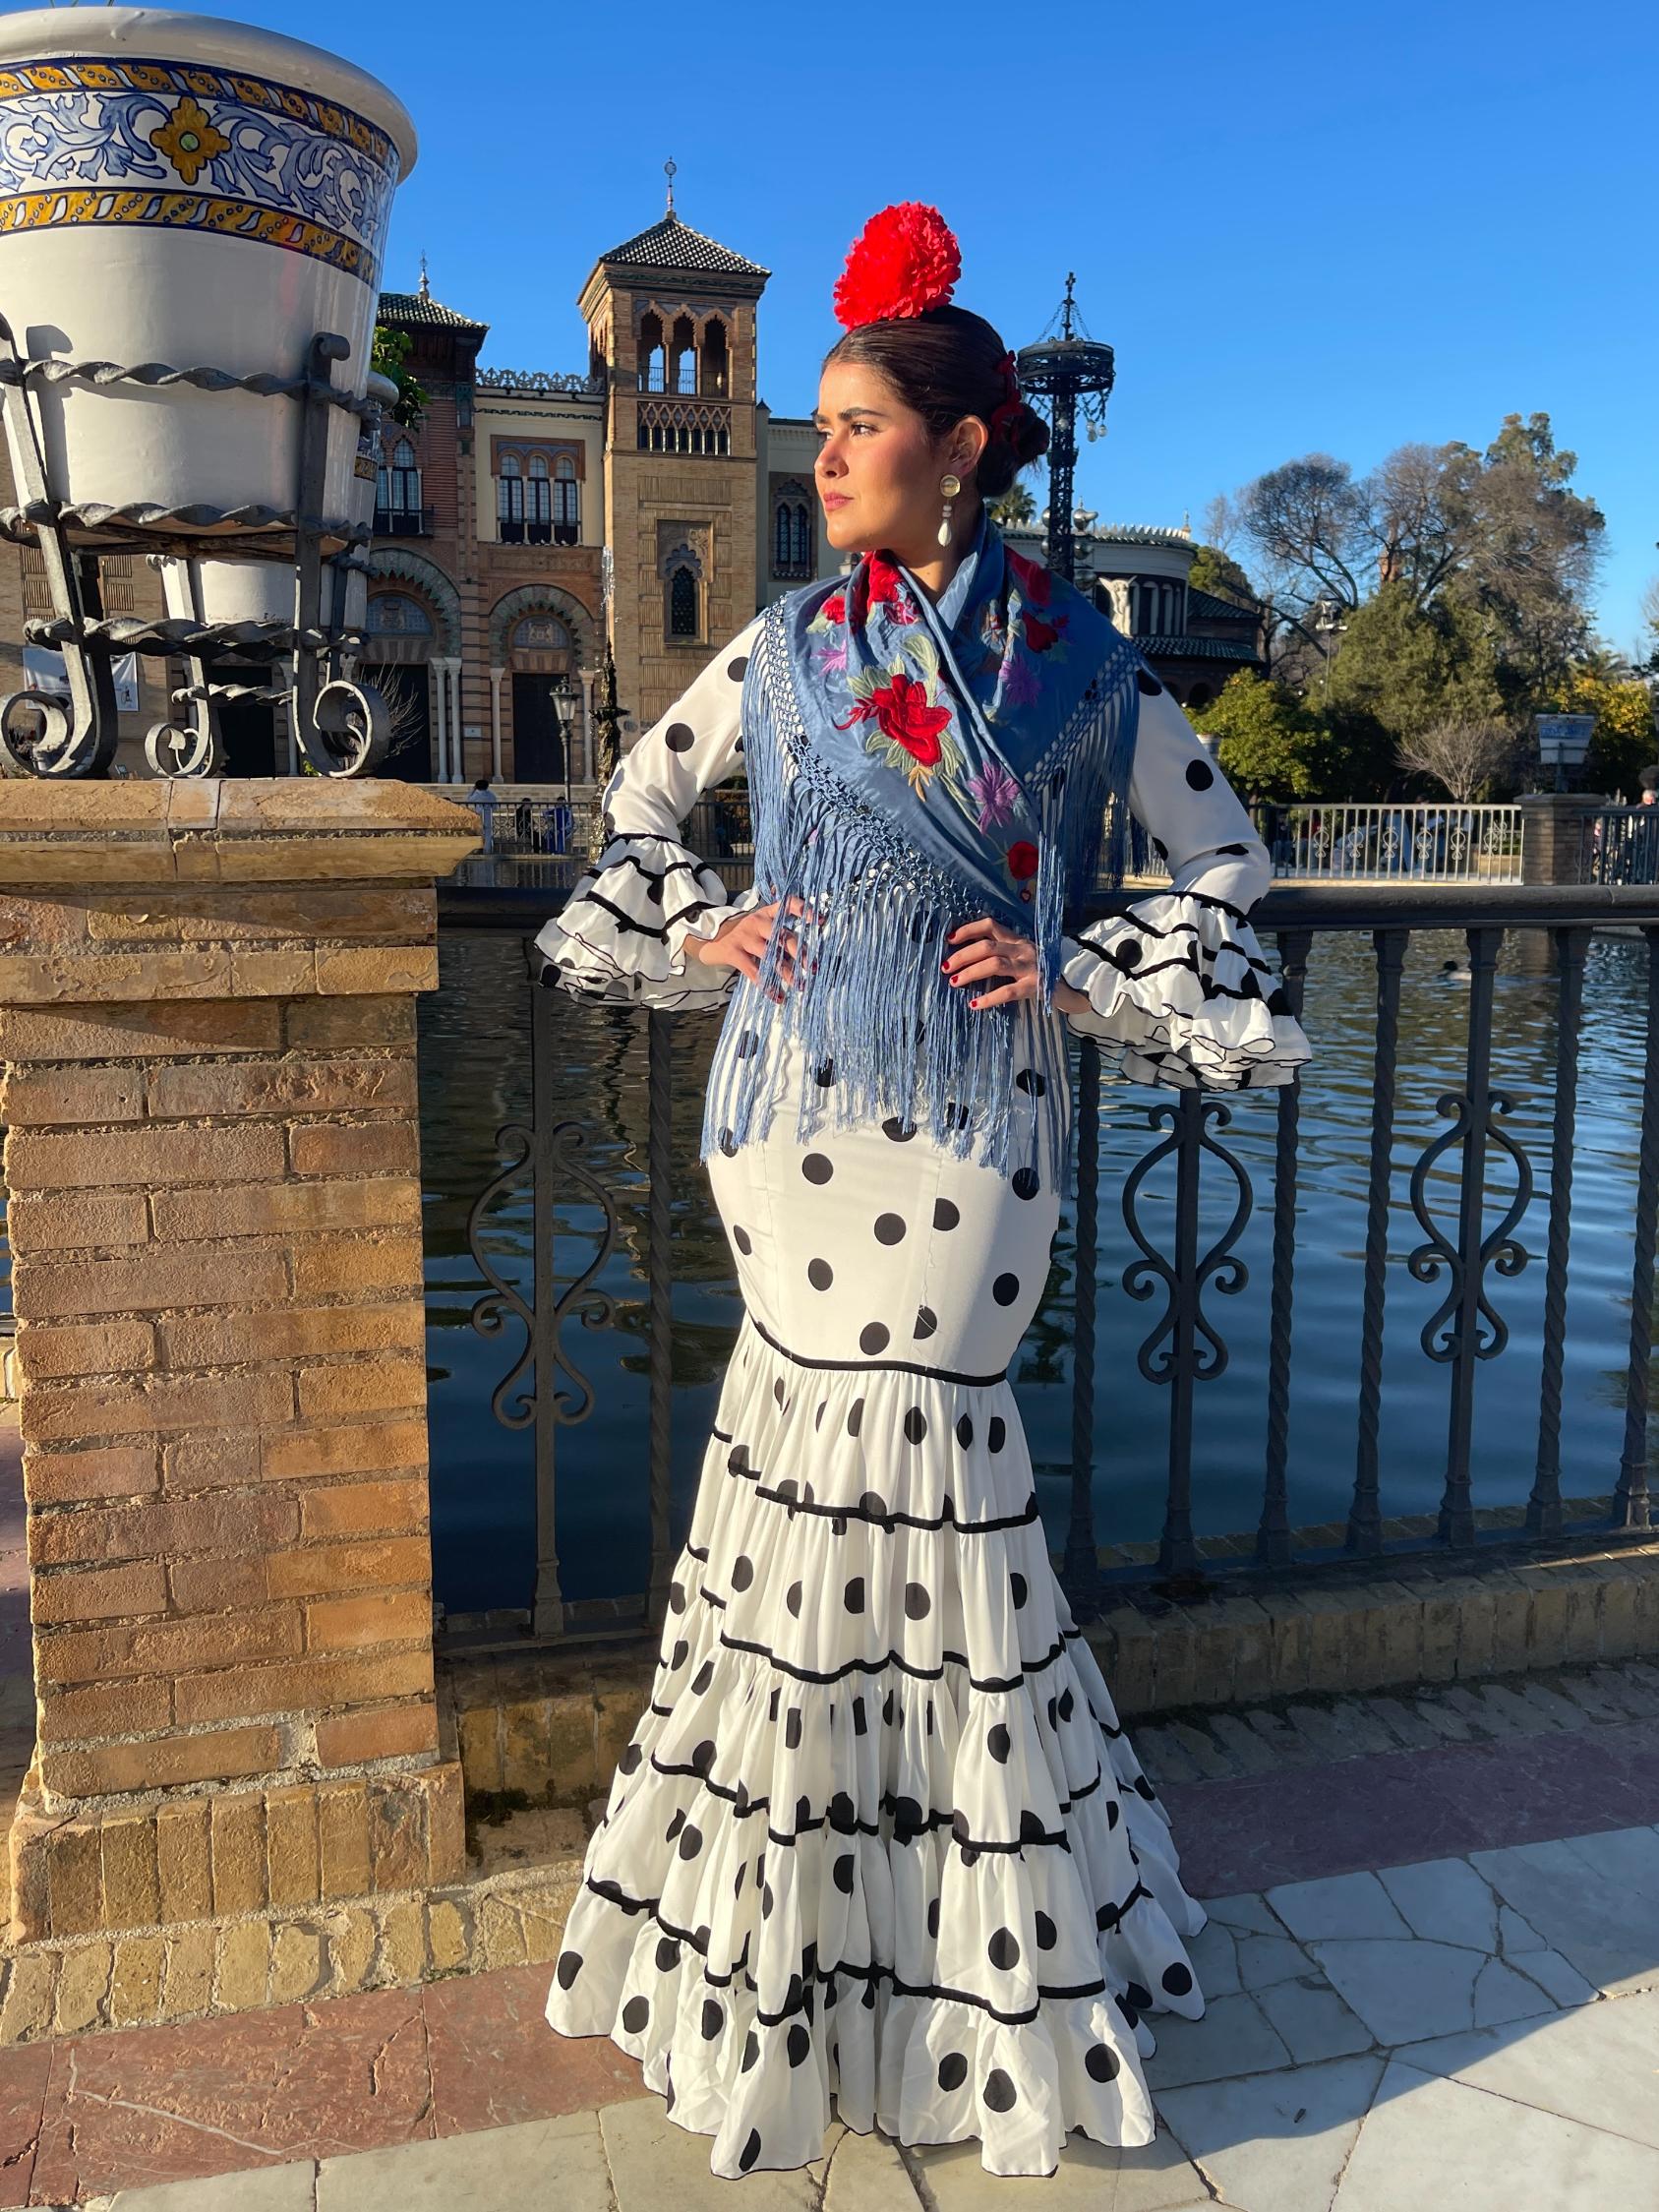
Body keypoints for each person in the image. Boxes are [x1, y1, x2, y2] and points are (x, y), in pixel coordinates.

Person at [538, 203, 1313, 2180]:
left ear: (960, 443)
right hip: (790, 1135)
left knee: (936, 1501)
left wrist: (1073, 965)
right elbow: (634, 802)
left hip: (976, 1147)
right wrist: (708, 922)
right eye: (813, 426)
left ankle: (973, 1964)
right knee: (796, 1499)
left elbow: (1230, 870)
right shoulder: (785, 641)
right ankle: (793, 1954)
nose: (821, 458)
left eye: (854, 422)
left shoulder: (1084, 669)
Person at [468, 773, 498, 854]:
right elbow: (495, 806)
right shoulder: (491, 794)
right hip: (488, 814)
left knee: (478, 831)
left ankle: (477, 848)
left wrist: (472, 790)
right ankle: (487, 849)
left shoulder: (477, 794)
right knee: (488, 832)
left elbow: (469, 800)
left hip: (479, 813)